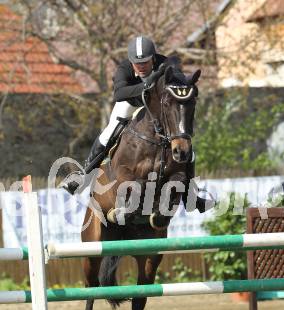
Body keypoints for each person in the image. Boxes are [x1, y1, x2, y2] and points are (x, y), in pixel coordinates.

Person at [59, 35, 213, 213]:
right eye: (137, 63)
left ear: (153, 58)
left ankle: (191, 197)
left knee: (186, 145)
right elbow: (119, 93)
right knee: (109, 132)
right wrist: (149, 84)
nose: (140, 67)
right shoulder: (124, 68)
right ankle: (83, 175)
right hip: (131, 103)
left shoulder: (165, 64)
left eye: (145, 63)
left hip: (156, 107)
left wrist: (188, 85)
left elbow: (181, 84)